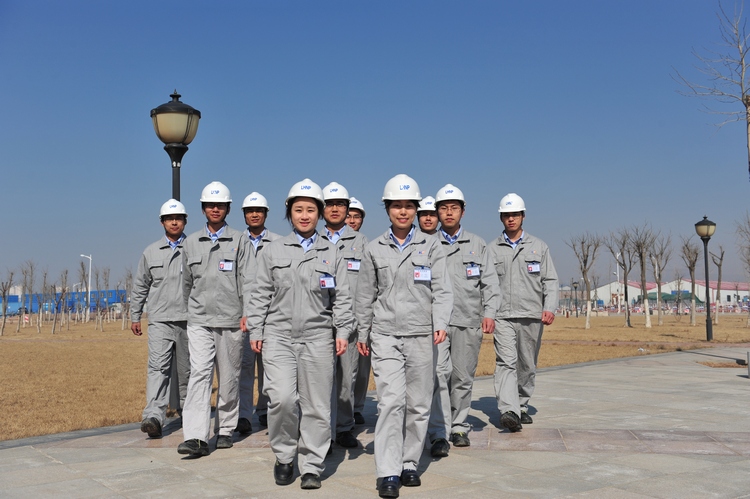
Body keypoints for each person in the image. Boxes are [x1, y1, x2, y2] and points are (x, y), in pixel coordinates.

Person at [245, 179, 354, 490]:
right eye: (298, 210)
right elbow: (260, 293)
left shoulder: (332, 252)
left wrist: (343, 330)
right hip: (278, 336)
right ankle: (284, 456)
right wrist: (256, 328)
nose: (304, 216)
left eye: (310, 210)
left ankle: (311, 465)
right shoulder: (273, 250)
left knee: (317, 405)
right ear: (289, 213)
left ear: (319, 213)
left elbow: (342, 297)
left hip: (318, 337)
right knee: (281, 399)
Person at [356, 174, 453, 499]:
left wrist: (440, 322)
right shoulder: (373, 249)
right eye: (396, 205)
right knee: (391, 402)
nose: (402, 211)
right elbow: (365, 295)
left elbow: (443, 290)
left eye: (408, 206)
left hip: (422, 335)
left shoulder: (431, 246)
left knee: (419, 404)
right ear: (387, 209)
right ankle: (387, 471)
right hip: (385, 335)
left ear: (416, 209)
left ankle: (409, 462)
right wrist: (363, 331)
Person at [177, 181, 251, 457]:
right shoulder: (191, 243)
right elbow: (186, 283)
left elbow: (248, 281)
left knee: (229, 376)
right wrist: (191, 313)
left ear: (228, 209)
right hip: (199, 320)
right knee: (199, 374)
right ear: (203, 209)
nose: (215, 209)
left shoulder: (240, 240)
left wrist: (247, 313)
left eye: (220, 205)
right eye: (210, 205)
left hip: (231, 320)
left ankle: (225, 428)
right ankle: (196, 436)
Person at [430, 184, 499, 450]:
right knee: (438, 374)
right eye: (444, 208)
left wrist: (489, 312)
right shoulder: (427, 244)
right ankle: (438, 429)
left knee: (462, 377)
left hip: (468, 320)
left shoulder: (477, 244)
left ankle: (458, 426)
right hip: (437, 323)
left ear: (463, 211)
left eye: (454, 208)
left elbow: (490, 283)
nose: (449, 213)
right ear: (437, 212)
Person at [489, 193, 558, 428]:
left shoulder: (539, 247)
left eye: (515, 215)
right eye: (506, 215)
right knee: (506, 363)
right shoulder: (491, 249)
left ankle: (521, 404)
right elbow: (486, 284)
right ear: (501, 218)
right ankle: (509, 410)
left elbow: (550, 280)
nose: (511, 219)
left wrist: (549, 307)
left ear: (523, 216)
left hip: (531, 314)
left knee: (527, 364)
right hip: (502, 316)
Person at [131, 199, 191, 439]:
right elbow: (140, 285)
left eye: (178, 218)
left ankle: (189, 413)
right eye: (169, 218)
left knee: (188, 371)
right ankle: (153, 417)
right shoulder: (151, 252)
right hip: (160, 321)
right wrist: (135, 315)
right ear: (162, 222)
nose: (174, 222)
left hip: (189, 320)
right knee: (157, 368)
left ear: (185, 221)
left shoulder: (193, 248)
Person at [321, 183, 369, 449]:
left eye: (340, 204)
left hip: (349, 321)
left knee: (346, 377)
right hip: (318, 320)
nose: (335, 209)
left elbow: (367, 285)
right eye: (330, 204)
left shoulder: (361, 243)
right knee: (319, 378)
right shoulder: (313, 239)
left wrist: (364, 324)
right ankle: (322, 431)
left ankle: (343, 427)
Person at [236, 192, 280, 435]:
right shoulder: (236, 243)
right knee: (244, 367)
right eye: (250, 211)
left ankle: (265, 410)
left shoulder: (279, 243)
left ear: (266, 214)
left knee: (269, 367)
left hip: (272, 316)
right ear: (244, 215)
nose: (254, 214)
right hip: (243, 318)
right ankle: (244, 415)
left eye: (259, 211)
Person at [348, 196, 370, 425]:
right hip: (335, 316)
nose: (352, 221)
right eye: (349, 216)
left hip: (360, 316)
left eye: (357, 217)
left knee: (361, 369)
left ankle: (357, 407)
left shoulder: (366, 245)